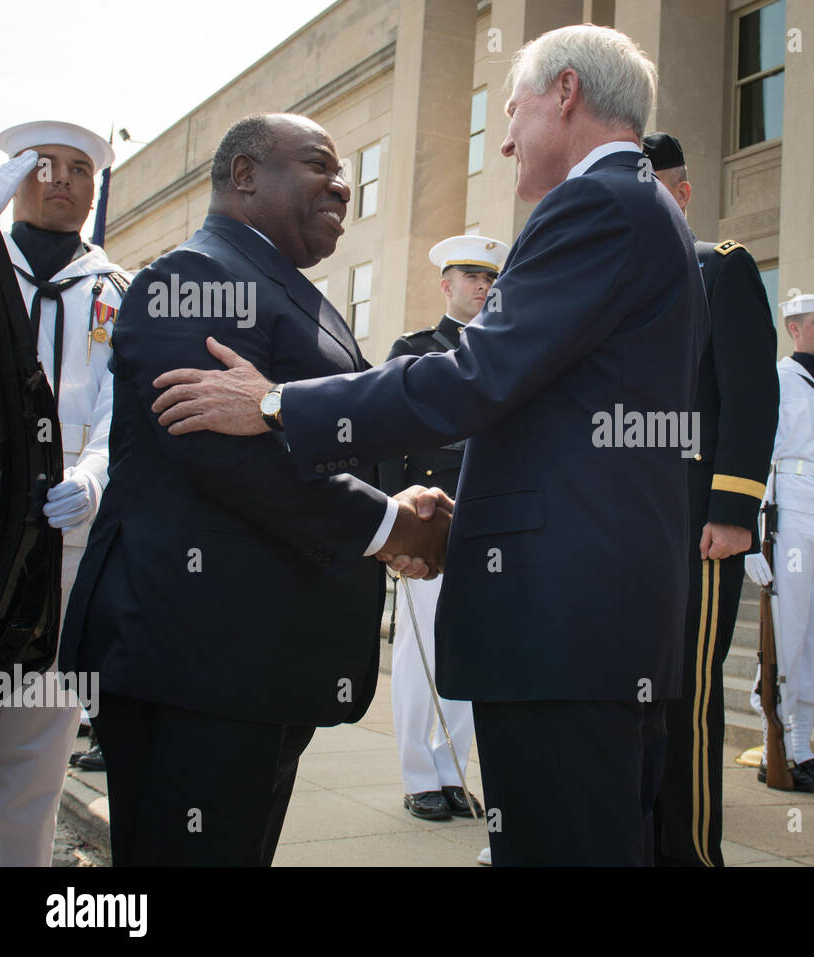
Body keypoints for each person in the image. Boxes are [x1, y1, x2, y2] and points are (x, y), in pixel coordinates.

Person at [148, 26, 708, 867]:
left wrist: (271, 402)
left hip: (566, 628)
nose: (508, 137)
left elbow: (473, 377)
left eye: (513, 111)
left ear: (565, 94)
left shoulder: (598, 204)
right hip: (596, 620)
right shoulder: (641, 206)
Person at [56, 113, 448, 866]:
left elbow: (321, 438)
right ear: (244, 176)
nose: (342, 183)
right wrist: (388, 527)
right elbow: (226, 458)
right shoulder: (195, 279)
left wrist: (395, 507)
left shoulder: (289, 290)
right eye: (318, 165)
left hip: (259, 666)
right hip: (198, 664)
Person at [641, 132, 778, 866]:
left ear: (682, 192)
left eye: (650, 185)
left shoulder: (719, 270)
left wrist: (731, 510)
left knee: (685, 697)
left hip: (697, 526)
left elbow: (754, 393)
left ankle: (690, 853)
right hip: (624, 524)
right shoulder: (613, 281)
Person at [0, 120, 128, 865]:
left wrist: (95, 476)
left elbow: (122, 405)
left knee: (37, 756)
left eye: (78, 167)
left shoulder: (114, 290)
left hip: (67, 545)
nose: (58, 180)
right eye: (41, 164)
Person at [379, 234, 507, 823]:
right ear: (446, 285)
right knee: (419, 651)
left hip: (489, 517)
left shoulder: (506, 350)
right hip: (431, 517)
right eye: (470, 277)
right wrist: (392, 521)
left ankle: (453, 771)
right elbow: (387, 432)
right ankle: (417, 775)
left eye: (489, 278)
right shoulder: (416, 349)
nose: (482, 287)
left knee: (474, 648)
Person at [745, 293, 814, 792]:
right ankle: (779, 744)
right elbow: (758, 455)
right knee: (787, 630)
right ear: (793, 329)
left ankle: (804, 746)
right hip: (791, 504)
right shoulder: (776, 380)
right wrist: (752, 535)